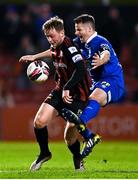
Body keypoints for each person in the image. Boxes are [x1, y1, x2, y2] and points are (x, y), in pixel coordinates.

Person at [19, 16, 91, 171]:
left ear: (62, 33)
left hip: (78, 95)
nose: (49, 39)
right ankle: (44, 153)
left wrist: (68, 87)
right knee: (39, 121)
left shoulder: (69, 46)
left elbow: (80, 69)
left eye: (51, 36)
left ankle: (78, 159)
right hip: (60, 90)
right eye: (47, 36)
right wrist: (34, 57)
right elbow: (51, 51)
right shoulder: (55, 45)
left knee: (69, 137)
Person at [62, 14, 125, 159]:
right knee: (71, 124)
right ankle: (82, 153)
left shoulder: (100, 41)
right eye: (76, 30)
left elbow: (106, 53)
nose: (76, 33)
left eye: (79, 29)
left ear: (89, 29)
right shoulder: (79, 42)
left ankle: (84, 129)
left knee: (94, 97)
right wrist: (35, 57)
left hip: (113, 81)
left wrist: (101, 60)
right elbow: (59, 50)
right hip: (95, 84)